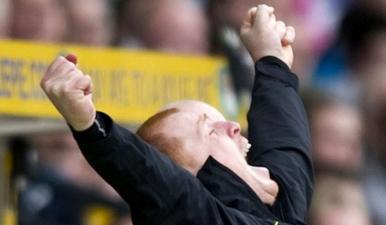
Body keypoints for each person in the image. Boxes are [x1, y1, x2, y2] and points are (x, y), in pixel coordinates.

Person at [41, 5, 313, 225]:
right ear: (184, 175)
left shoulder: (279, 208)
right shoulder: (197, 215)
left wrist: (272, 61)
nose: (233, 127)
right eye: (209, 130)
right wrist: (90, 127)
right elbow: (154, 177)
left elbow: (286, 153)